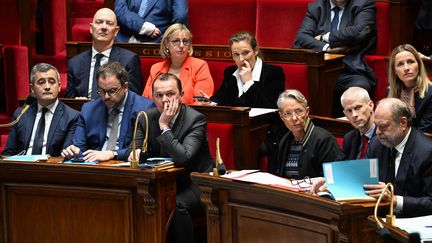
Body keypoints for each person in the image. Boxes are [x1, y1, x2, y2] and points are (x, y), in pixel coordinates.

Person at [127, 73, 213, 243]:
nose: (164, 100)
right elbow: (134, 148)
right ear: (153, 97)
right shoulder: (145, 117)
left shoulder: (195, 119)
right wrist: (134, 153)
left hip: (195, 182)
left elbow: (183, 158)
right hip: (162, 182)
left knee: (176, 204)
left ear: (181, 95)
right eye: (159, 95)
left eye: (170, 94)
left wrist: (164, 126)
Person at [293, 0, 377, 117]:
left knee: (359, 89)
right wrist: (326, 47)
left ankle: (353, 132)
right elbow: (301, 38)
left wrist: (325, 37)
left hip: (349, 69)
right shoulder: (316, 7)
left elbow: (360, 31)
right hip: (320, 70)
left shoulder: (363, 4)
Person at [61, 62, 154, 162]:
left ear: (125, 86)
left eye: (112, 91)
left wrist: (112, 154)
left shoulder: (144, 108)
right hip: (95, 167)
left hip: (127, 167)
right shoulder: (89, 109)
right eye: (102, 91)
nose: (106, 97)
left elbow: (145, 149)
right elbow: (80, 146)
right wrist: (74, 151)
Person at [364, 98, 432, 217]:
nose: (378, 132)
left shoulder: (427, 152)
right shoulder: (376, 144)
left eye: (384, 126)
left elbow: (430, 202)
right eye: (376, 126)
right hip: (377, 218)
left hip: (412, 222)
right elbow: (365, 181)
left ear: (403, 123)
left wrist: (394, 200)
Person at [3, 63, 79, 156]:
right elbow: (8, 152)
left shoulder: (72, 117)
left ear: (59, 86)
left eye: (51, 82)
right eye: (41, 82)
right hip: (22, 167)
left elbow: (65, 155)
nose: (47, 87)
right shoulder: (20, 114)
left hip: (51, 168)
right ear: (32, 88)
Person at [67, 8, 144, 99]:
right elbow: (69, 101)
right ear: (91, 28)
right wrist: (78, 103)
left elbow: (133, 98)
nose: (103, 27)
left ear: (116, 31)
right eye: (99, 22)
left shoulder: (129, 60)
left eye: (109, 23)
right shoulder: (75, 63)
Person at [200, 31, 285, 108]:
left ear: (255, 51)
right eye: (236, 54)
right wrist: (210, 102)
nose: (241, 59)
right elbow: (221, 98)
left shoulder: (274, 72)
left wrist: (248, 83)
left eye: (245, 53)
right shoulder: (230, 72)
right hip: (235, 122)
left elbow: (270, 108)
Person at [269, 89, 341, 179]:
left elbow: (333, 178)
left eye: (299, 111)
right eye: (287, 113)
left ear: (307, 112)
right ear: (281, 116)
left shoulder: (325, 140)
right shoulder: (284, 141)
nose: (294, 118)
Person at [142, 23, 214, 105]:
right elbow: (145, 101)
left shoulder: (199, 66)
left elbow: (201, 103)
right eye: (176, 41)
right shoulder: (156, 68)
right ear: (166, 44)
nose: (181, 45)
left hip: (187, 116)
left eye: (185, 41)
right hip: (157, 115)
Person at [388, 44, 432, 134]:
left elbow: (423, 132)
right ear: (395, 71)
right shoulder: (390, 92)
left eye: (410, 62)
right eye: (400, 64)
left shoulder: (430, 94)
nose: (406, 68)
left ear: (419, 65)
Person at [114, 0, 188, 43]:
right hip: (124, 39)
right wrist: (143, 27)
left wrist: (169, 38)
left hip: (157, 42)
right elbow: (120, 10)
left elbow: (180, 15)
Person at [340, 87, 375, 160]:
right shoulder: (349, 138)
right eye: (349, 111)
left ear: (370, 106)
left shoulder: (385, 135)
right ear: (345, 114)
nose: (354, 115)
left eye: (358, 108)